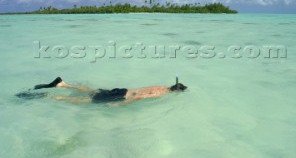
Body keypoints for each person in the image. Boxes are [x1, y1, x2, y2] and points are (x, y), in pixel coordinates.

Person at [30, 77, 187, 104]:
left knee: (92, 91)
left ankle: (63, 85)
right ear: (176, 92)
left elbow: (140, 91)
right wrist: (121, 105)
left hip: (122, 90)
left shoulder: (161, 86)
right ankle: (50, 97)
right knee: (86, 101)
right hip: (122, 97)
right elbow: (140, 96)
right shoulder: (161, 93)